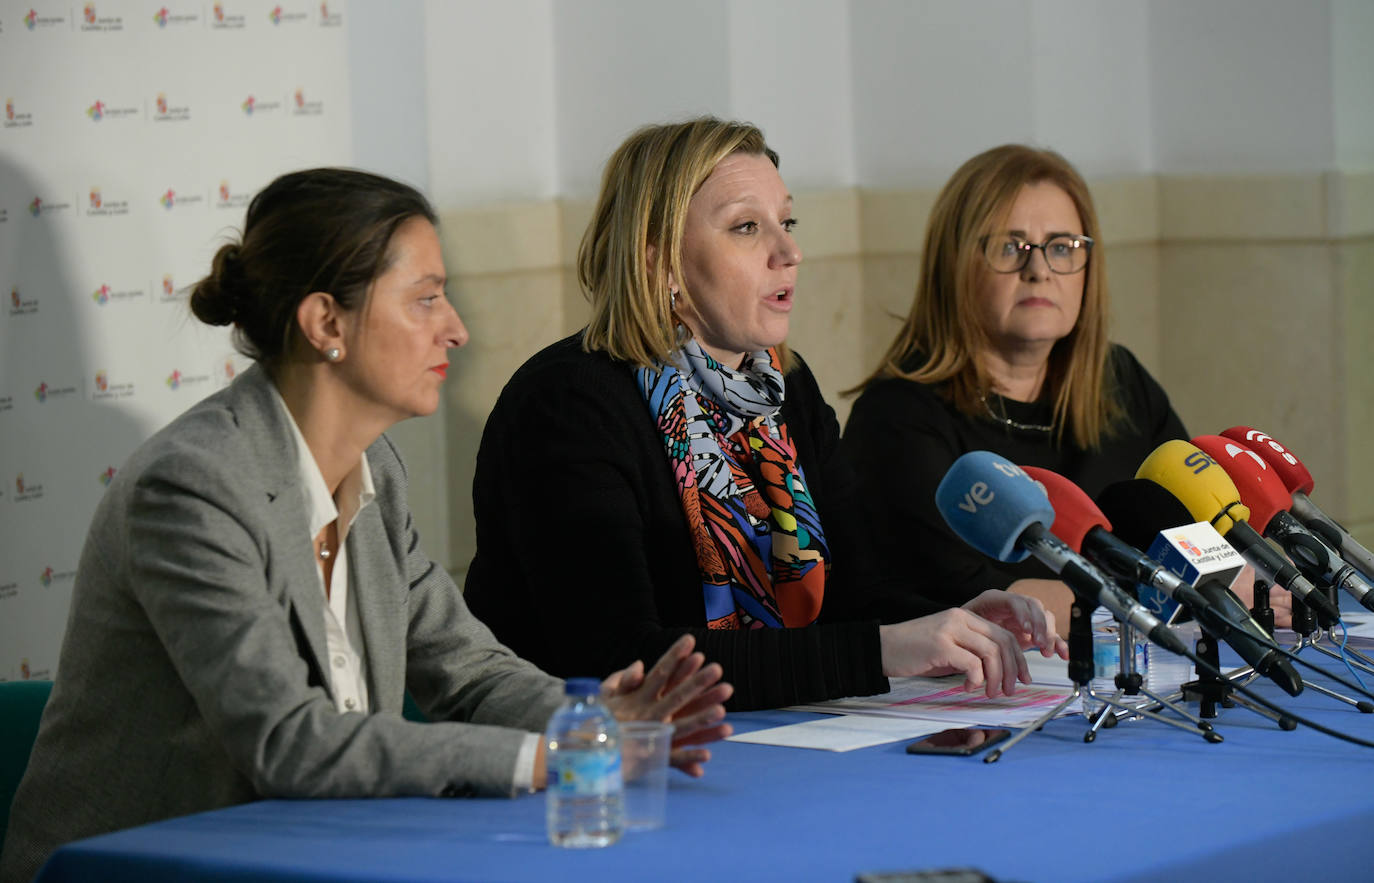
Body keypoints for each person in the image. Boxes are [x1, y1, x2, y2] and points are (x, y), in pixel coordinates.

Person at [0, 169, 730, 883]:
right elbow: (287, 741)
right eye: (426, 300)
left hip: (316, 849)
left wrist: (595, 716)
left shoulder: (375, 464)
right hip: (139, 864)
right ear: (326, 323)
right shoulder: (192, 485)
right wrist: (557, 756)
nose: (457, 330)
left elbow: (467, 670)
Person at [462, 118, 1065, 713]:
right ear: (659, 262)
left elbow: (855, 597)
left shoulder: (784, 389)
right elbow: (622, 660)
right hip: (586, 767)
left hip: (770, 738)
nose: (790, 252)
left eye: (788, 221)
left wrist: (948, 622)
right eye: (747, 227)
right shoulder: (567, 404)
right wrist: (880, 651)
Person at [842, 144, 1283, 630]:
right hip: (987, 692)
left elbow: (1194, 533)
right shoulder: (896, 418)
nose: (1039, 270)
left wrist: (1237, 579)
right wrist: (1181, 592)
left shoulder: (1119, 381)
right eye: (1010, 247)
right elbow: (982, 598)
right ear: (955, 266)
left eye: (1062, 247)